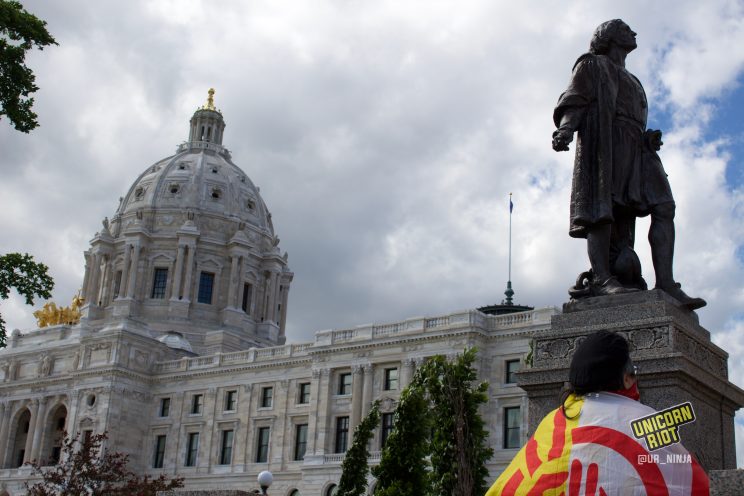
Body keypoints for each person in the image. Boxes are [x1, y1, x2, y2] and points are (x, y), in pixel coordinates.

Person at [552, 19, 705, 310]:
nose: (633, 32)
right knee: (602, 207)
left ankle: (667, 284)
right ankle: (602, 278)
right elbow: (574, 99)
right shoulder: (591, 65)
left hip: (637, 147)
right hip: (606, 144)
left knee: (664, 205)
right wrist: (565, 130)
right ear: (607, 37)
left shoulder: (632, 79)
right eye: (624, 28)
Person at [485, 330, 708, 495]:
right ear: (627, 378)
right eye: (635, 371)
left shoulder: (552, 422)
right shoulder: (647, 421)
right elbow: (696, 484)